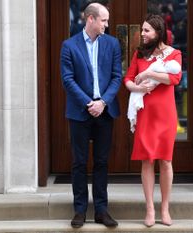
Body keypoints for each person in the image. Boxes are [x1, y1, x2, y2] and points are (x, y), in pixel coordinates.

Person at [60, 2, 122, 229]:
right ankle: (79, 211)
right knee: (78, 162)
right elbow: (68, 80)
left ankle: (101, 210)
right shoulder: (69, 46)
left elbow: (117, 77)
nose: (107, 24)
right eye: (104, 20)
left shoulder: (113, 44)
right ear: (90, 19)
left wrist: (103, 102)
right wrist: (89, 103)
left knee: (102, 162)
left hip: (105, 112)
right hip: (80, 112)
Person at [123, 14, 182, 227]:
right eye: (143, 30)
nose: (143, 34)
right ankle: (149, 209)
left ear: (158, 32)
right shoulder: (139, 53)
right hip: (145, 113)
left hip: (165, 114)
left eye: (147, 30)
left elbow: (174, 79)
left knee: (165, 161)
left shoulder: (174, 54)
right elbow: (128, 79)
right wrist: (137, 87)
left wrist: (150, 73)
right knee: (147, 160)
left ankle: (165, 209)